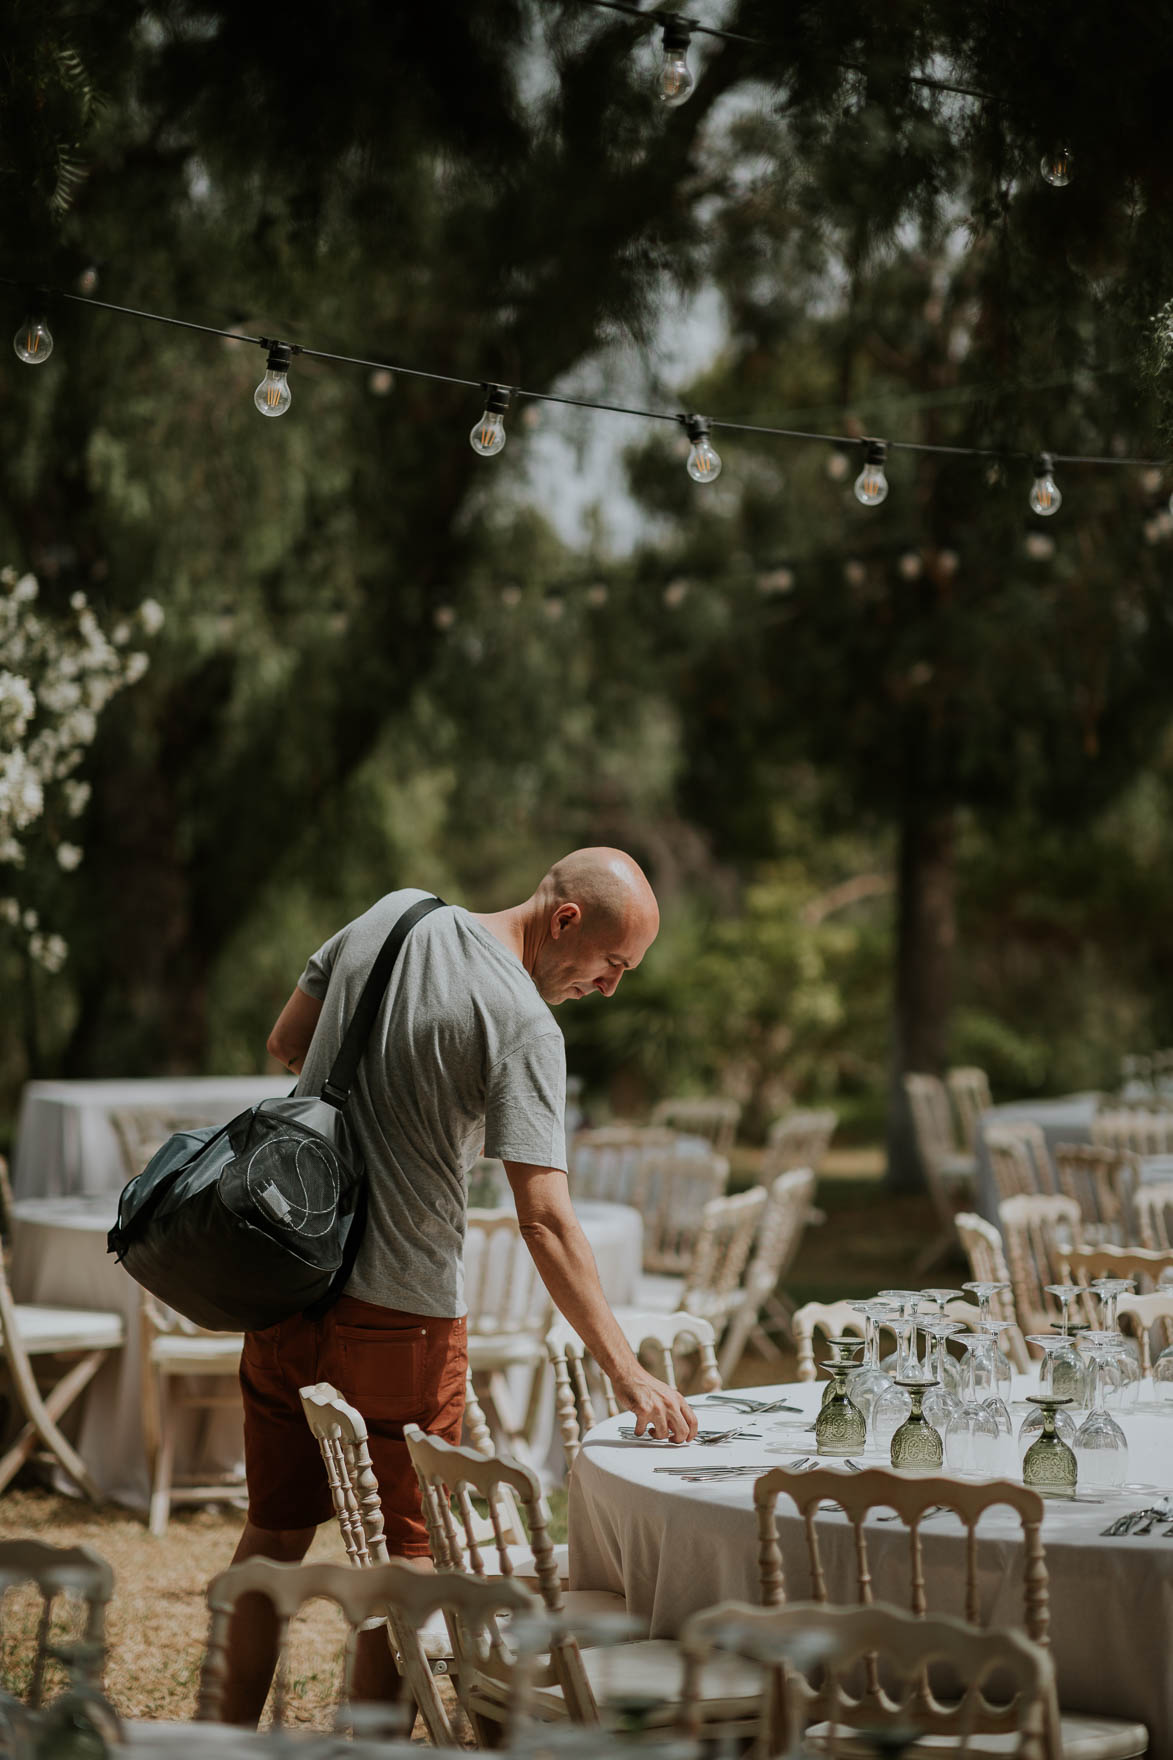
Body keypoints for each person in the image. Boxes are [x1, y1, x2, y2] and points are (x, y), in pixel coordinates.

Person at [221, 846, 698, 1722]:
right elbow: (546, 1219)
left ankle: (216, 1740)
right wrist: (626, 1371)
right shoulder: (521, 1021)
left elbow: (287, 1043)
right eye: (610, 964)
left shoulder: (390, 914)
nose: (608, 989)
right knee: (406, 1566)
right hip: (401, 1320)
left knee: (273, 1536)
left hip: (288, 1284)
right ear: (565, 922)